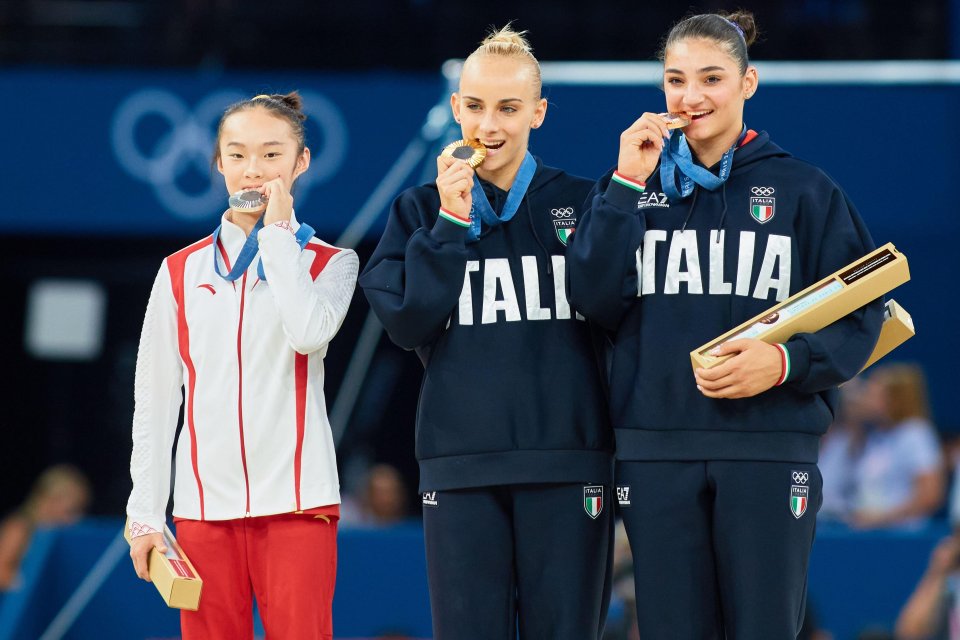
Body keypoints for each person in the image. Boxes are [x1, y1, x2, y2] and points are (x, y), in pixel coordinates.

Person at [566, 10, 884, 640]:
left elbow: (863, 306)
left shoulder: (803, 190)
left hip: (768, 448)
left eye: (711, 78)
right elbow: (590, 298)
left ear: (748, 82)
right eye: (676, 80)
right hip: (656, 449)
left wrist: (789, 362)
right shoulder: (629, 186)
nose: (691, 97)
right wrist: (627, 181)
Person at [359, 25, 614, 640]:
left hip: (569, 460)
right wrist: (451, 222)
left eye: (507, 108)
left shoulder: (588, 201)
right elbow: (408, 323)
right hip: (460, 463)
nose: (488, 126)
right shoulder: (418, 211)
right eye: (474, 107)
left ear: (538, 113)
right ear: (455, 108)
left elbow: (620, 313)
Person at [125, 92, 358, 640]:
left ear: (302, 163)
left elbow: (307, 333)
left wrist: (277, 236)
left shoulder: (331, 263)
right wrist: (145, 514)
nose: (253, 169)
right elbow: (156, 400)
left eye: (273, 155)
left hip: (299, 506)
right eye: (237, 154)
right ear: (218, 162)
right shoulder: (178, 271)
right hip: (204, 510)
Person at [849, 363, 945, 529]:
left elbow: (930, 496)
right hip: (871, 533)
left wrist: (882, 518)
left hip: (904, 537)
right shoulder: (876, 436)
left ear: (894, 399)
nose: (865, 399)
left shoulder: (916, 434)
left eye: (873, 395)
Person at [0, 464, 91, 590]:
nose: (75, 520)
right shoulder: (19, 527)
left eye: (80, 510)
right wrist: (24, 582)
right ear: (51, 500)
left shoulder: (58, 536)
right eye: (71, 511)